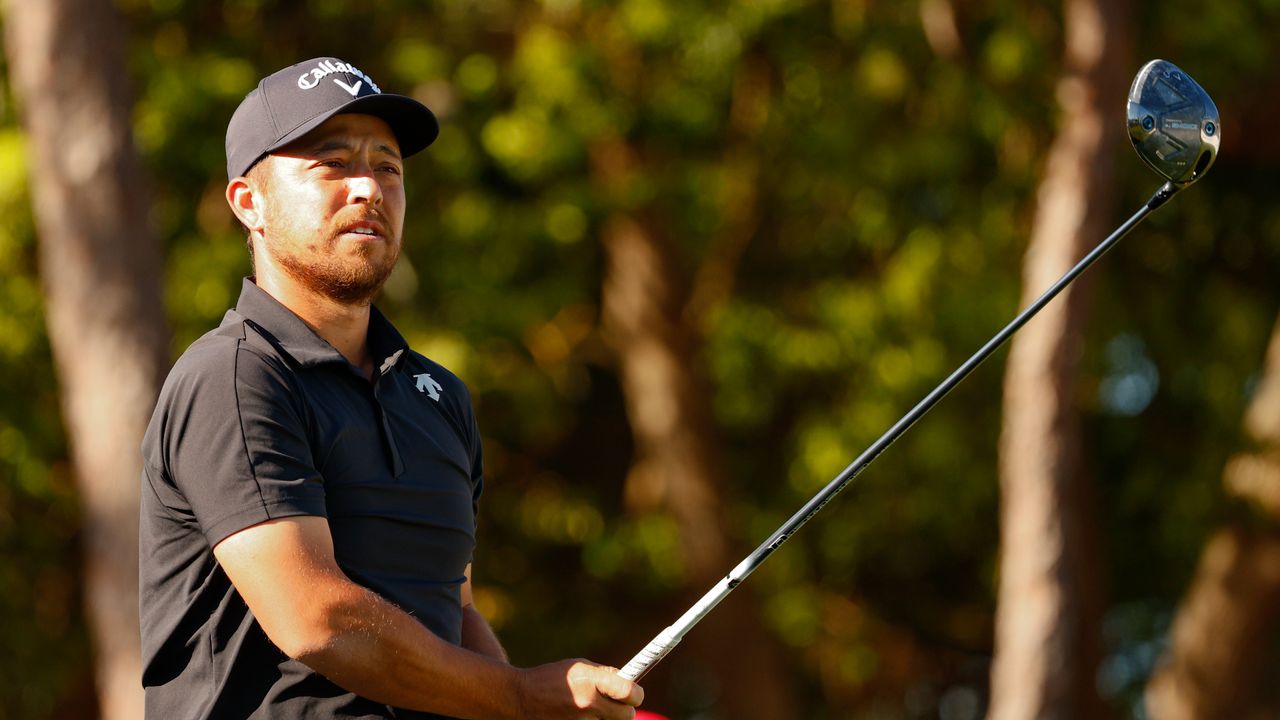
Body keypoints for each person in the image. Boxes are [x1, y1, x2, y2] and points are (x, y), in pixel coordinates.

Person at [139, 56, 645, 720]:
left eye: (388, 167)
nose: (368, 188)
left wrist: (533, 710)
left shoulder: (439, 396)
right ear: (249, 203)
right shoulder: (234, 377)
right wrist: (522, 696)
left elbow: (454, 610)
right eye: (332, 163)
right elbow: (318, 621)